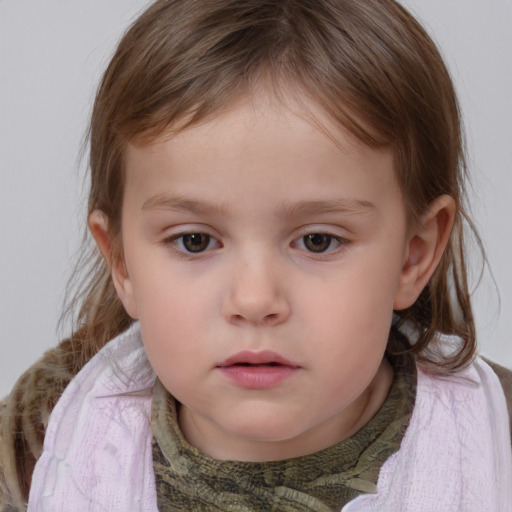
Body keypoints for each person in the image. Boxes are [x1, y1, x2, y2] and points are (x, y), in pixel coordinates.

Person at [1, 0, 511, 510]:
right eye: (194, 241)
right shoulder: (38, 444)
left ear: (412, 256)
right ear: (122, 262)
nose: (254, 299)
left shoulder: (497, 441)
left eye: (318, 240)